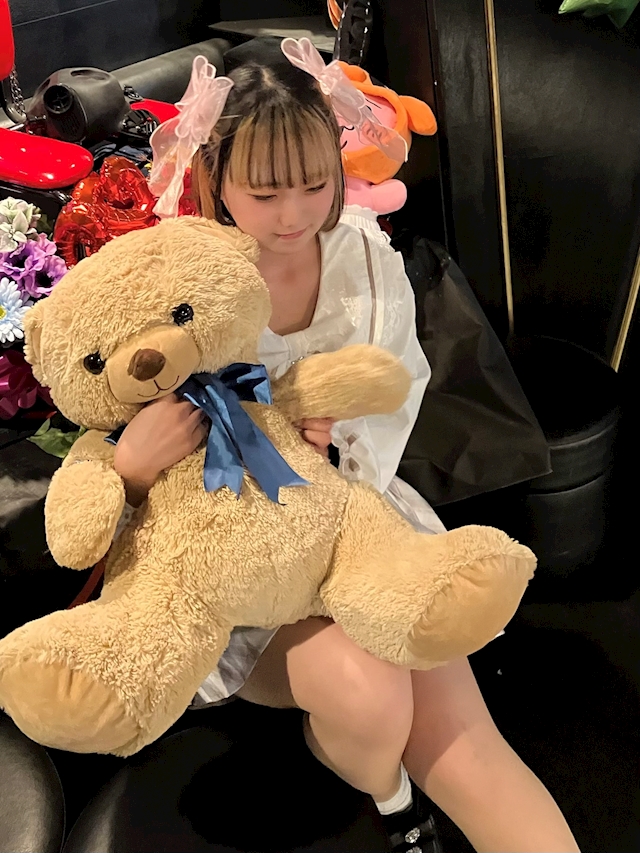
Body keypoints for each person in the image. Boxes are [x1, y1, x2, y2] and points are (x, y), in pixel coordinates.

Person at [110, 40, 580, 853]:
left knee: (469, 745)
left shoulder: (363, 255)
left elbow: (396, 388)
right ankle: (398, 808)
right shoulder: (175, 281)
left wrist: (335, 447)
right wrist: (132, 466)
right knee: (371, 695)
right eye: (265, 192)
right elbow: (112, 422)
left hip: (355, 519)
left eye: (314, 184)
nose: (293, 215)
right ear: (215, 177)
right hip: (232, 557)